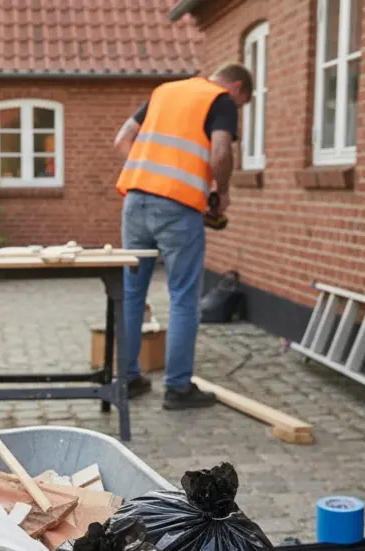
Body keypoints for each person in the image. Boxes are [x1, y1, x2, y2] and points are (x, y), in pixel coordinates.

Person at [113, 62, 252, 410]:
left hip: (135, 202)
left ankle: (127, 379)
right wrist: (222, 192)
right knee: (183, 297)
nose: (237, 109)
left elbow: (122, 140)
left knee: (131, 293)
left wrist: (150, 173)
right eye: (242, 104)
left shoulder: (165, 92)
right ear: (236, 88)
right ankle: (177, 388)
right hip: (178, 209)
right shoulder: (220, 100)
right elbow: (221, 152)